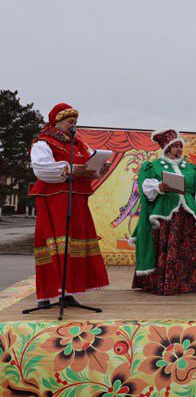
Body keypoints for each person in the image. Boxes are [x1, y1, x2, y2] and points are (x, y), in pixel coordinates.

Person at [29, 103, 110, 306]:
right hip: (54, 200)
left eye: (75, 123)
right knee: (54, 244)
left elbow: (88, 166)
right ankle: (45, 295)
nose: (73, 126)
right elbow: (41, 168)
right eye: (69, 122)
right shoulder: (44, 142)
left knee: (73, 246)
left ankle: (68, 292)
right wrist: (71, 169)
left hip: (76, 200)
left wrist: (99, 169)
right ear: (57, 122)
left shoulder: (78, 145)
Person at [132, 129, 196, 296]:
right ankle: (162, 283)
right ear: (167, 148)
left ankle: (188, 283)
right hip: (166, 214)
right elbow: (146, 189)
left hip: (186, 214)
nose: (179, 149)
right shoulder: (154, 166)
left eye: (180, 146)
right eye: (175, 146)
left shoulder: (190, 168)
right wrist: (159, 187)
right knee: (164, 246)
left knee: (187, 248)